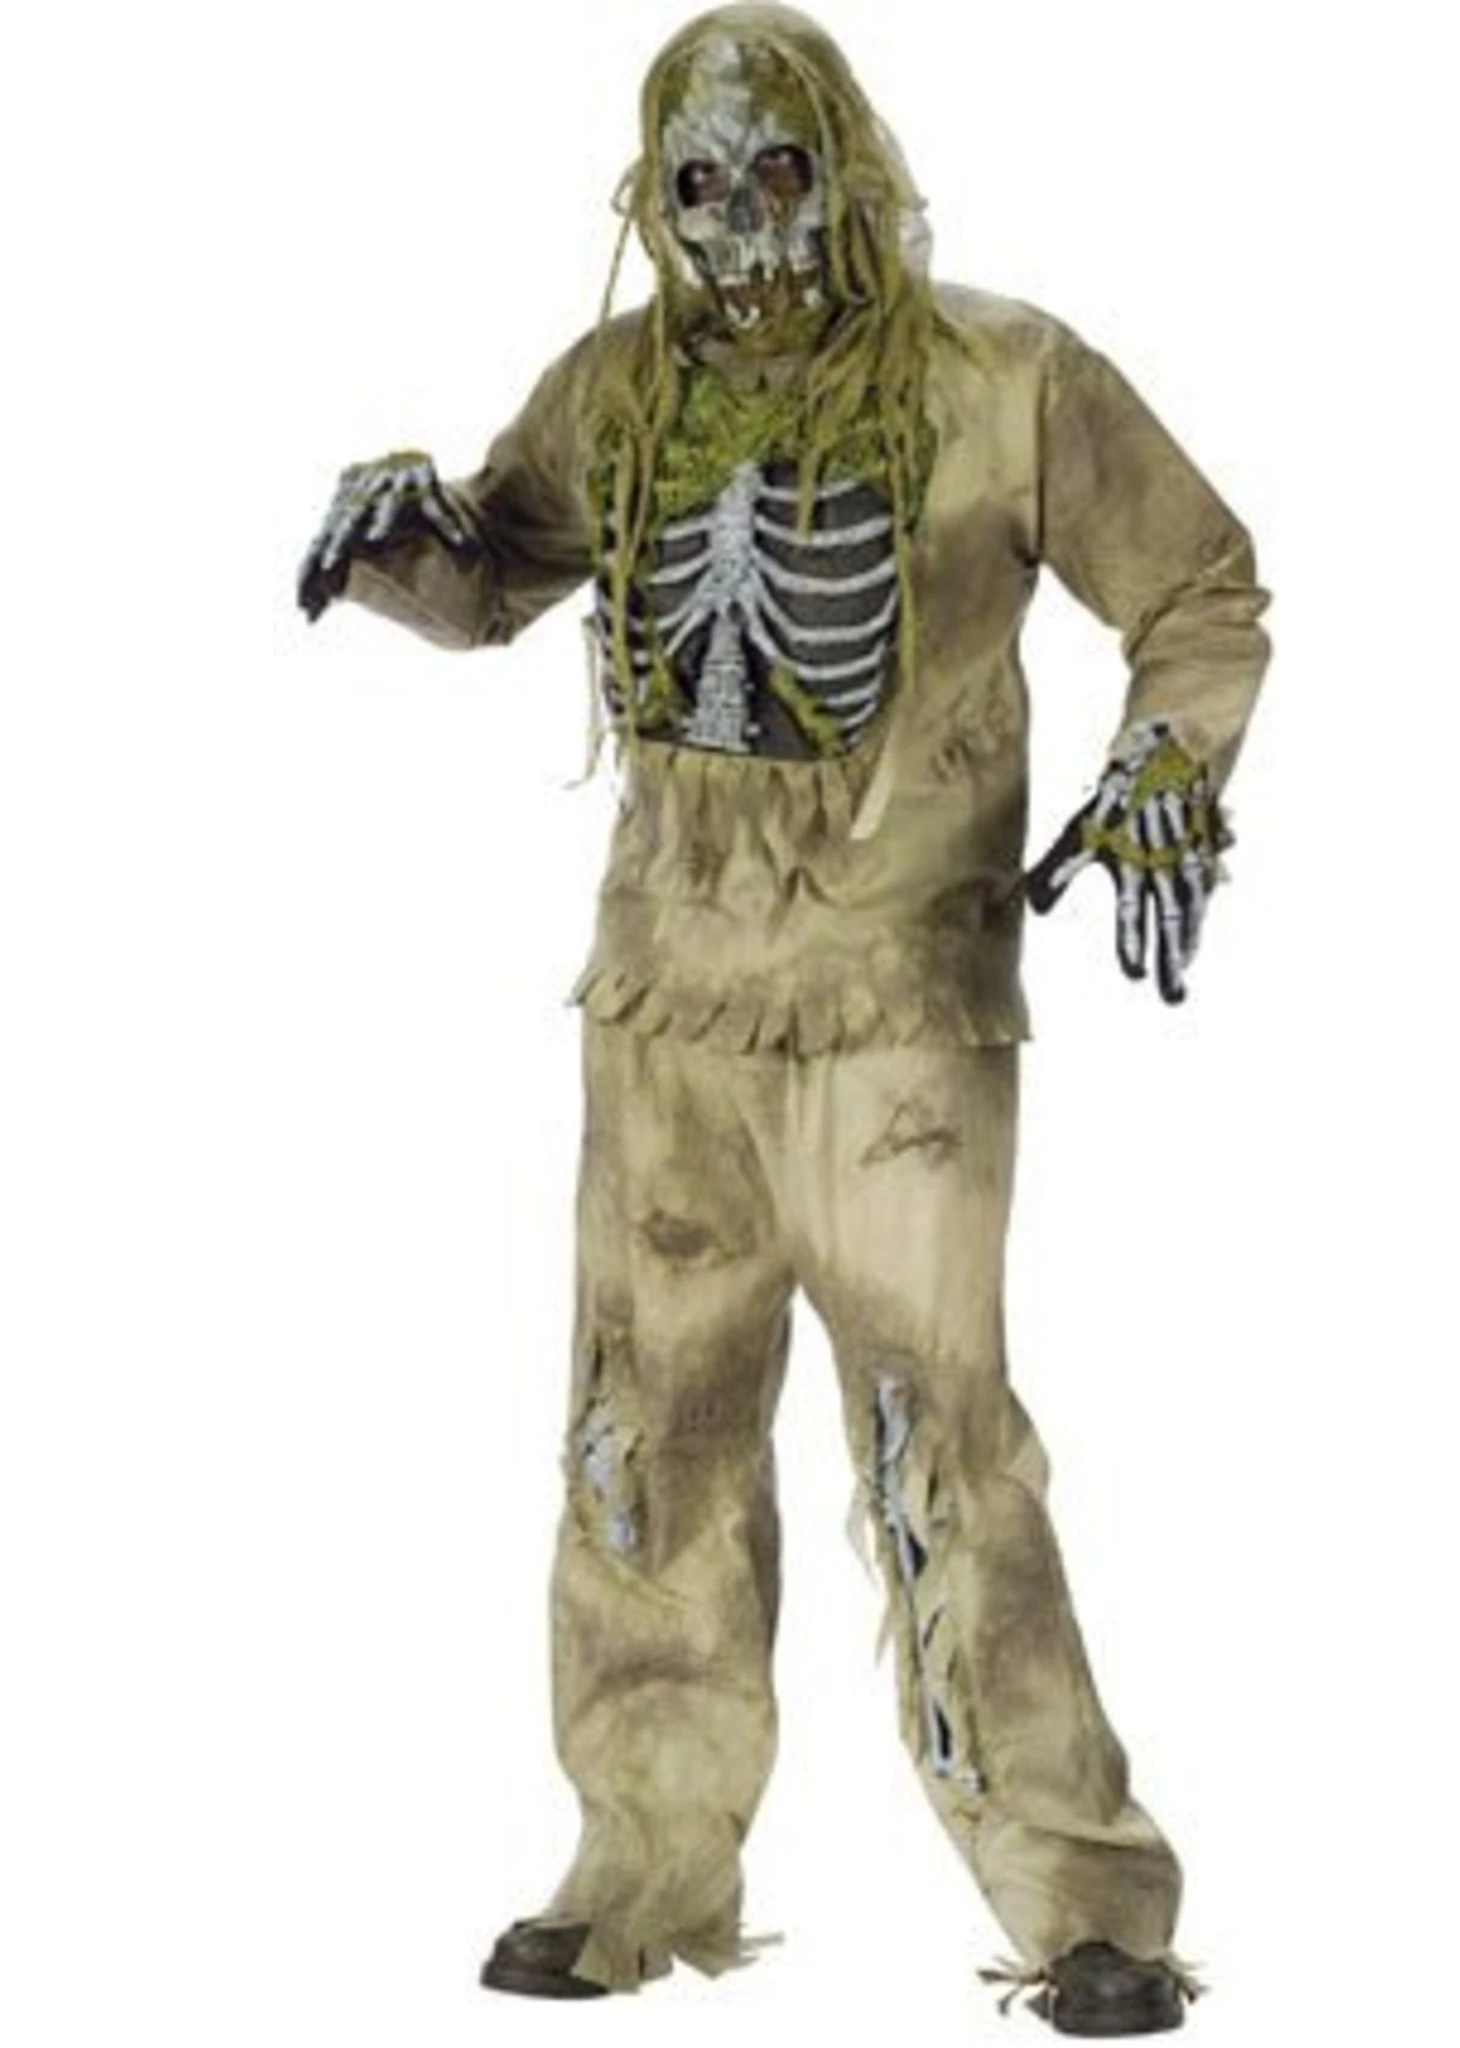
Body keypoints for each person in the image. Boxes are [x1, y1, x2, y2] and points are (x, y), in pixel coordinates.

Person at [297, 5, 1271, 2033]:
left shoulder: (1001, 376)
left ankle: (1082, 1890)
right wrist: (402, 542)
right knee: (639, 1441)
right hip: (668, 1007)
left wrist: (1169, 762)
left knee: (943, 1445)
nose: (743, 232)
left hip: (903, 1011)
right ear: (651, 204)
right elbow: (496, 576)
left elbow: (1194, 591)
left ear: (849, 168)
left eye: (777, 177)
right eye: (699, 190)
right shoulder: (616, 390)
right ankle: (638, 1861)